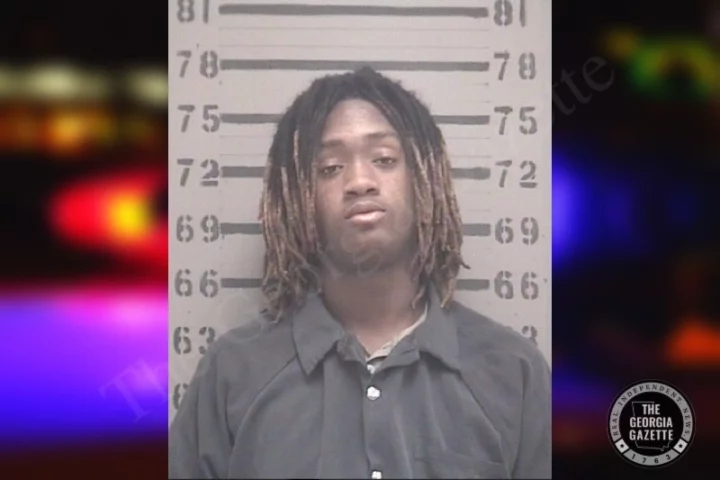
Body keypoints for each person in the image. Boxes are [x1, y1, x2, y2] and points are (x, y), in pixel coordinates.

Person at [169, 67, 551, 479]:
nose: (359, 181)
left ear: (427, 178)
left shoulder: (514, 372)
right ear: (296, 197)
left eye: (384, 159)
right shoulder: (232, 372)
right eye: (330, 167)